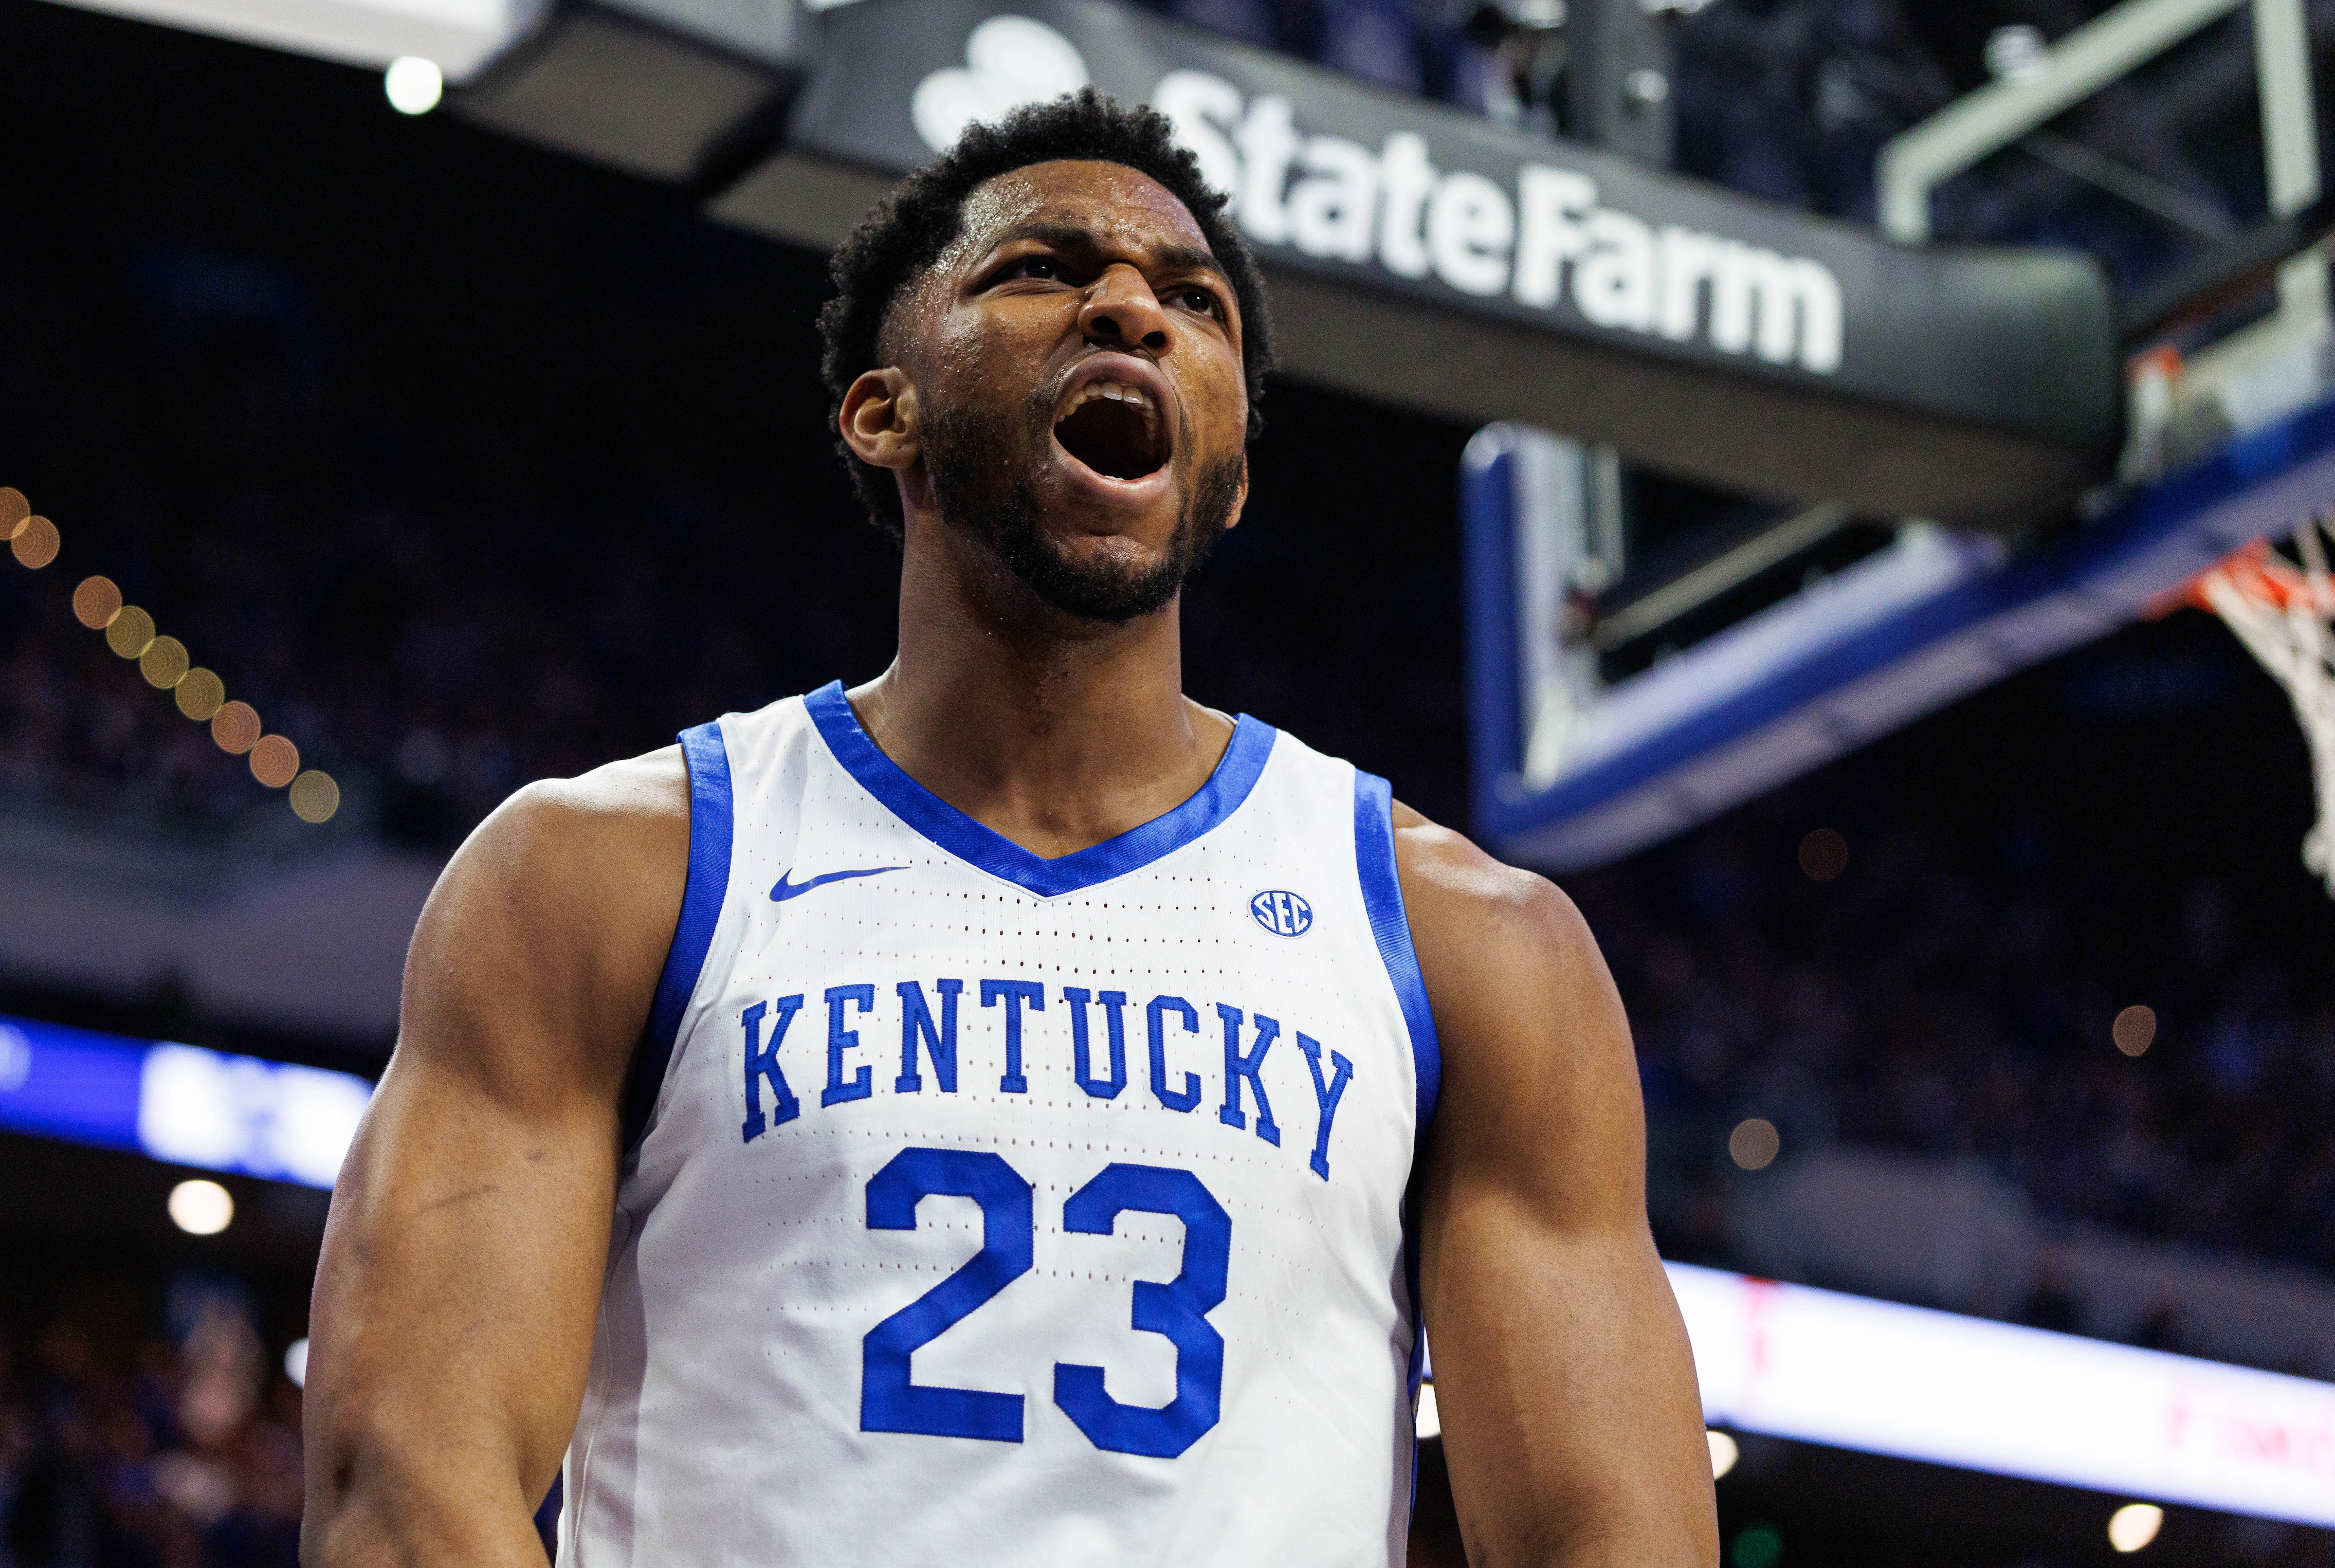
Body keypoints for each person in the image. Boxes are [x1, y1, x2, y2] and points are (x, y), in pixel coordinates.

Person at [299, 90, 1714, 1567]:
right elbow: (405, 1486)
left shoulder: (1469, 945)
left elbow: (1612, 1539)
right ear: (881, 407)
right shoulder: (603, 874)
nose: (1130, 307)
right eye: (1041, 269)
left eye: (1193, 300)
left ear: (1227, 474)